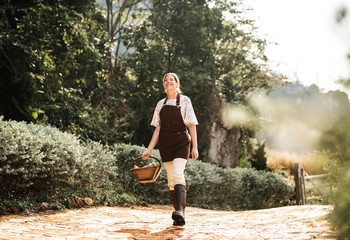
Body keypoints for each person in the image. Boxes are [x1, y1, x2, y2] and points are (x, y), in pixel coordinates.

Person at [142, 72, 199, 226]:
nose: (168, 82)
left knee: (177, 174)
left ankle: (180, 210)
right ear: (164, 84)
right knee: (171, 182)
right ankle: (179, 217)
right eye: (166, 80)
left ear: (177, 84)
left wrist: (195, 146)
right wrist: (149, 150)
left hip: (181, 143)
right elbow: (157, 130)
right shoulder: (161, 104)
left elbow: (192, 124)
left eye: (171, 80)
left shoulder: (185, 101)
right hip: (165, 145)